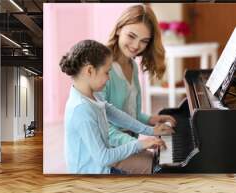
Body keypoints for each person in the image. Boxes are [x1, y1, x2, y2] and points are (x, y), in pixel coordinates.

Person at [61, 40, 172, 174]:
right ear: (90, 70)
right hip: (94, 175)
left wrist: (150, 130)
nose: (109, 78)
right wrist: (139, 144)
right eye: (107, 72)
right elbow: (104, 157)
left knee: (155, 166)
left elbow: (116, 114)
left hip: (103, 167)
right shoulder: (81, 110)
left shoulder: (92, 95)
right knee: (156, 172)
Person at [101, 5, 176, 174]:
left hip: (127, 144)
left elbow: (129, 113)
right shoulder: (102, 68)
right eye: (132, 36)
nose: (136, 46)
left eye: (144, 41)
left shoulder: (132, 65)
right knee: (161, 167)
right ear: (119, 29)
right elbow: (101, 127)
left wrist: (151, 119)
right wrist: (141, 144)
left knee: (165, 159)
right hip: (108, 149)